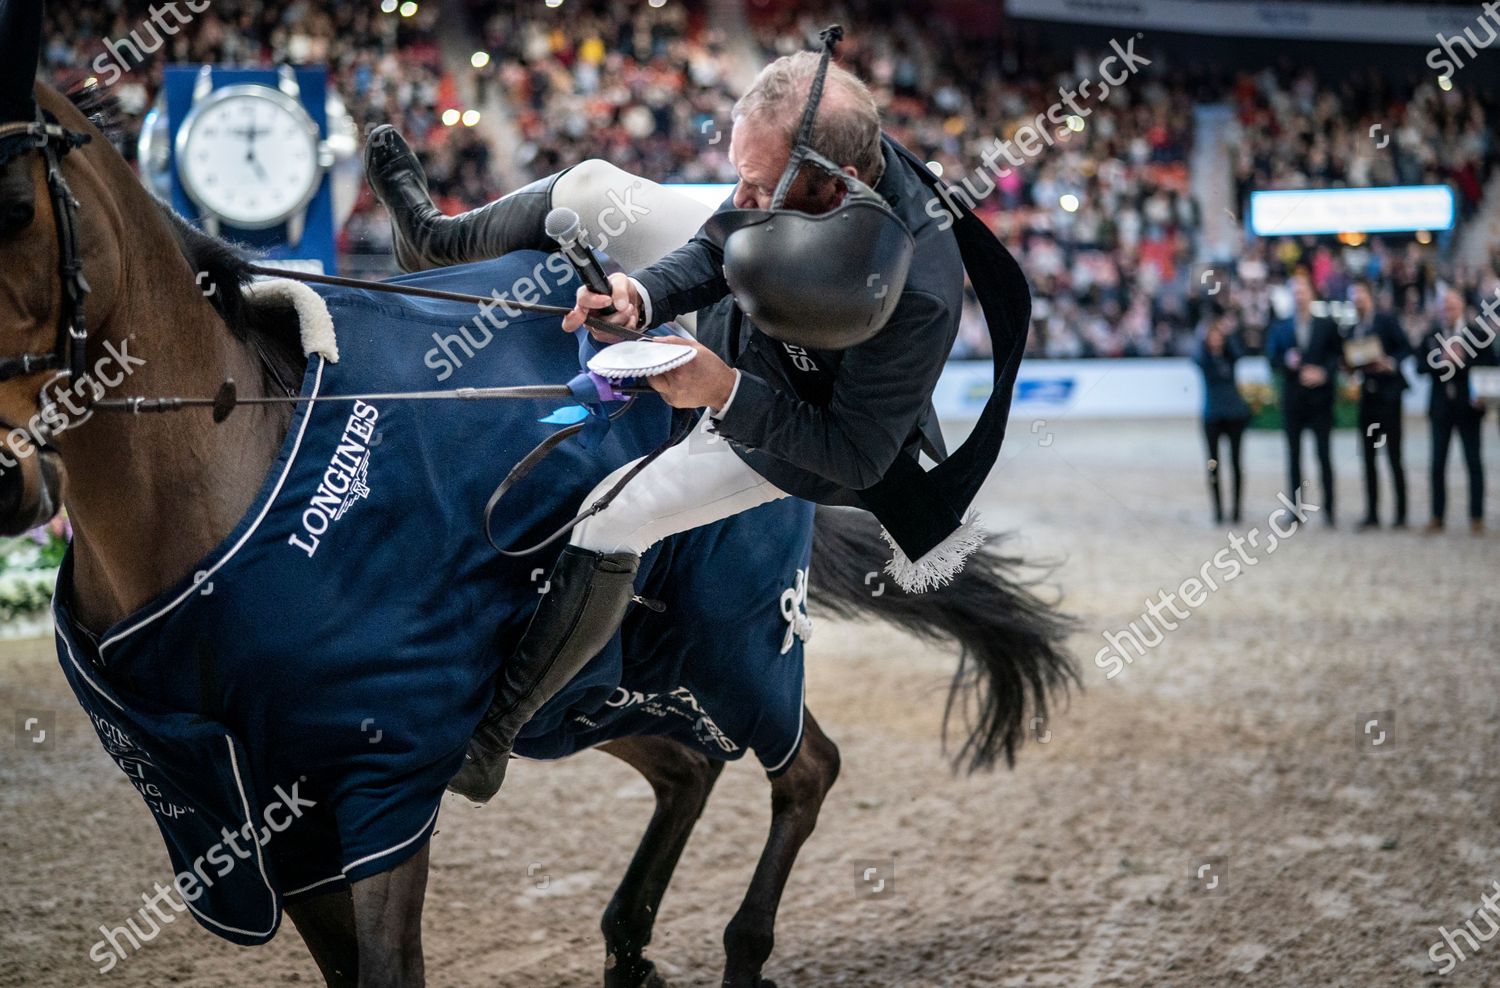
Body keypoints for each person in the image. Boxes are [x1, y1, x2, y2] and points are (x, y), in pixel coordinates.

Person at [363, 32, 1030, 803]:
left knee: (612, 520)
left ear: (835, 183)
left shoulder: (921, 297)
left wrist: (723, 392)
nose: (740, 196)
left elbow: (853, 456)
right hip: (750, 330)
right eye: (739, 176)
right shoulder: (793, 178)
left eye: (757, 183)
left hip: (798, 432)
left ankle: (494, 734)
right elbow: (723, 240)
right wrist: (641, 297)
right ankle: (434, 241)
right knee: (588, 190)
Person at [1265, 272, 1340, 525]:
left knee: (1324, 455)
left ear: (1311, 293)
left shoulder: (1327, 324)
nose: (1299, 296)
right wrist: (1285, 361)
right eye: (1295, 291)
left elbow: (1338, 357)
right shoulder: (1281, 326)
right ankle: (1295, 510)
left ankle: (1330, 509)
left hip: (1320, 400)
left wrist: (1323, 373)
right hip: (1294, 400)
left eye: (1303, 291)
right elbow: (1272, 358)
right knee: (1293, 457)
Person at [1416, 288, 1491, 534]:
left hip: (1468, 408)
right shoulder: (1432, 334)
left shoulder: (1477, 333)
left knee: (1473, 462)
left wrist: (1461, 361)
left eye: (1452, 305)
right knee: (1437, 463)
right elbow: (1419, 366)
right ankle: (1437, 516)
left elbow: (1489, 366)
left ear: (1461, 306)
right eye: (1444, 306)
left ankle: (1476, 517)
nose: (1448, 310)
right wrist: (1439, 362)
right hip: (1440, 408)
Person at [1345, 278, 1412, 529]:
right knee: (1369, 457)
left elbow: (1407, 347)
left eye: (1361, 294)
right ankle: (1372, 512)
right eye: (1354, 296)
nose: (1357, 300)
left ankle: (1401, 513)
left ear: (1369, 296)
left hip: (1389, 397)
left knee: (1394, 456)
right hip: (1368, 398)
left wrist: (1390, 362)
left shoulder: (1386, 320)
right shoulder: (1353, 329)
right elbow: (1349, 359)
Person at [1192, 310, 1251, 525]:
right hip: (1213, 415)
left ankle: (1236, 510)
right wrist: (1204, 332)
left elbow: (1238, 352)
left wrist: (1229, 331)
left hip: (1234, 413)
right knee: (1213, 464)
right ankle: (1218, 509)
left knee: (1236, 463)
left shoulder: (1230, 356)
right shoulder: (1205, 359)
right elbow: (1196, 356)